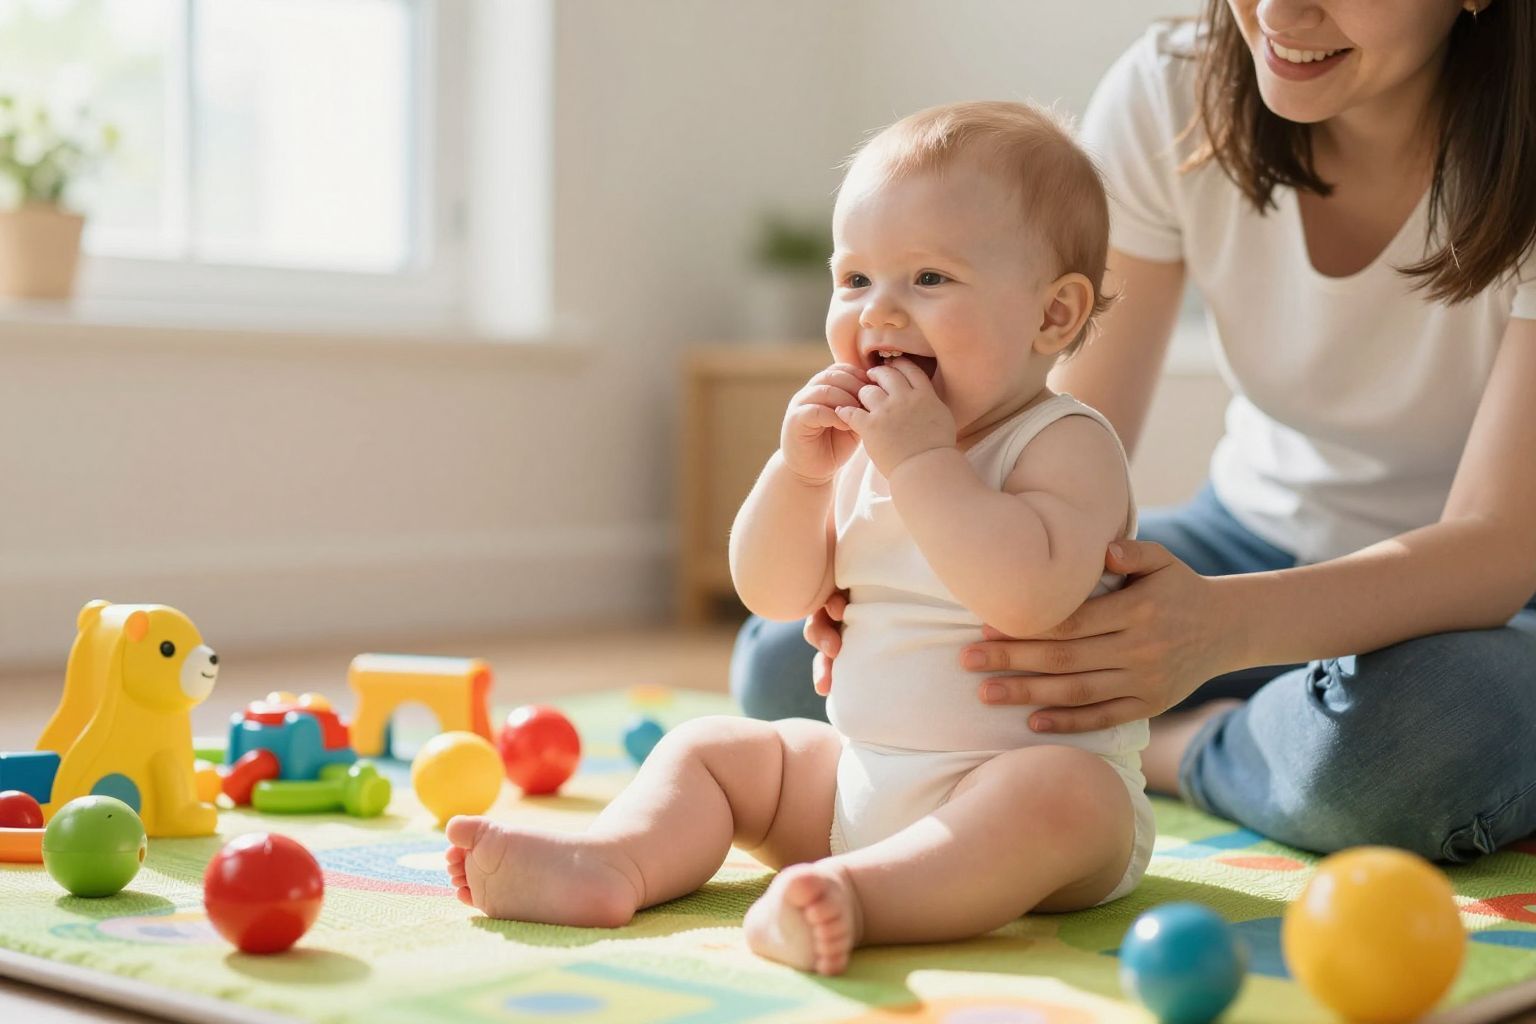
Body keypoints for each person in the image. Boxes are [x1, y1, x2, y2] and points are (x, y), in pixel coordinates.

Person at [732, 0, 1536, 864]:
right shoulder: (1178, 89)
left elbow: (1496, 549)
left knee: (1419, 741)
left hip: (1497, 597)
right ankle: (1206, 744)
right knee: (786, 660)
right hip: (1250, 537)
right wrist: (912, 578)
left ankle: (1177, 751)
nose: (1275, 12)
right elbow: (1050, 439)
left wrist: (1214, 632)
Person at [445, 100, 1152, 976]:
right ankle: (612, 861)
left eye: (929, 279)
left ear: (1053, 316)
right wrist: (802, 474)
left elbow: (1027, 594)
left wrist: (926, 461)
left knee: (1065, 799)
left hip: (1020, 791)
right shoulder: (871, 445)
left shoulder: (1065, 444)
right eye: (855, 280)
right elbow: (774, 595)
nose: (880, 314)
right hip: (860, 777)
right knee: (717, 748)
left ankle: (861, 900)